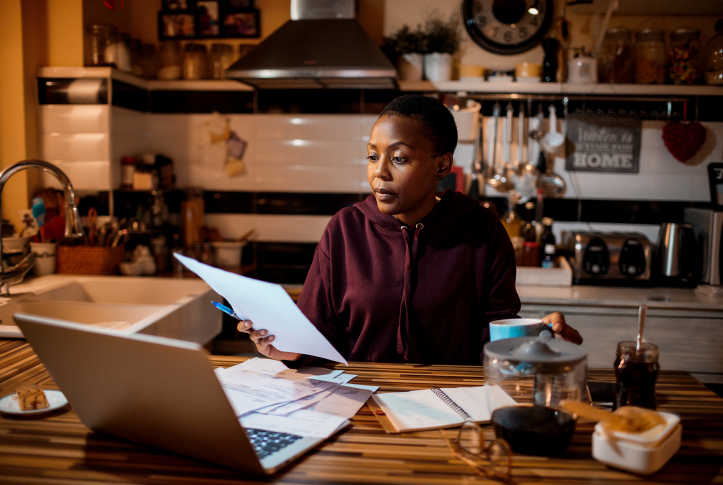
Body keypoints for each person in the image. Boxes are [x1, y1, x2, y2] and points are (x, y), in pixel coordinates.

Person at [238, 94, 582, 365]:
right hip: (360, 406)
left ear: (442, 164)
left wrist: (539, 339)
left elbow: (497, 337)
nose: (379, 173)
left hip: (454, 406)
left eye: (399, 158)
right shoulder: (345, 230)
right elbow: (319, 333)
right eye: (373, 157)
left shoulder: (481, 229)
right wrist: (291, 351)